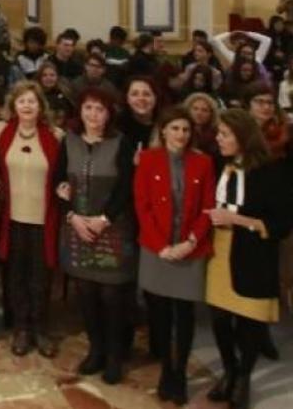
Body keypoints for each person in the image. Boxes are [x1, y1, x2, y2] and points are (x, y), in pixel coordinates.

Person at [204, 109, 293, 409]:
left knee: (248, 324)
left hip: (253, 254)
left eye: (225, 134)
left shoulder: (272, 170)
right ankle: (228, 370)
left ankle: (243, 377)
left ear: (243, 137)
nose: (218, 138)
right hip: (219, 251)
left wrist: (238, 219)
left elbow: (282, 223)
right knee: (219, 320)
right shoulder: (219, 163)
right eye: (219, 133)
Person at [53, 87, 138, 384]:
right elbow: (58, 182)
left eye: (99, 109)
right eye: (88, 108)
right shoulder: (69, 141)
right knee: (86, 293)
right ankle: (96, 349)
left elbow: (127, 187)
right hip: (76, 226)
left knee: (112, 295)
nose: (93, 115)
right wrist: (73, 216)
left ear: (109, 113)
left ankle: (115, 355)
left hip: (112, 229)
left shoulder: (120, 143)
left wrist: (104, 219)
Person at [134, 107, 215, 405]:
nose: (181, 135)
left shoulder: (203, 162)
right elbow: (142, 206)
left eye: (185, 129)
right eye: (175, 128)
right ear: (163, 130)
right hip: (157, 250)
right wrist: (162, 246)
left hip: (190, 250)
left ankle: (179, 373)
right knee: (160, 313)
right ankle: (166, 370)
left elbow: (208, 206)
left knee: (184, 315)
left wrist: (190, 242)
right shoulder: (148, 159)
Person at [0, 81, 62, 357]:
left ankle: (41, 329)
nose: (27, 106)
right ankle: (21, 328)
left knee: (41, 277)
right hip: (12, 217)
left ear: (40, 106)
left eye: (32, 101)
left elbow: (61, 176)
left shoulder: (55, 135)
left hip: (43, 218)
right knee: (15, 276)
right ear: (14, 106)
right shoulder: (2, 132)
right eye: (22, 101)